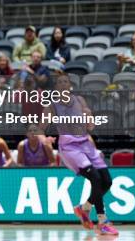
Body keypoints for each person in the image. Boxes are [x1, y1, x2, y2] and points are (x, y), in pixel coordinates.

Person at [39, 73, 118, 236]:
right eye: (59, 83)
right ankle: (102, 222)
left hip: (86, 144)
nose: (63, 85)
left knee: (107, 181)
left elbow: (89, 121)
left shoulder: (79, 100)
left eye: (65, 82)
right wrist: (45, 139)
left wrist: (90, 121)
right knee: (95, 179)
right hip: (70, 148)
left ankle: (84, 208)